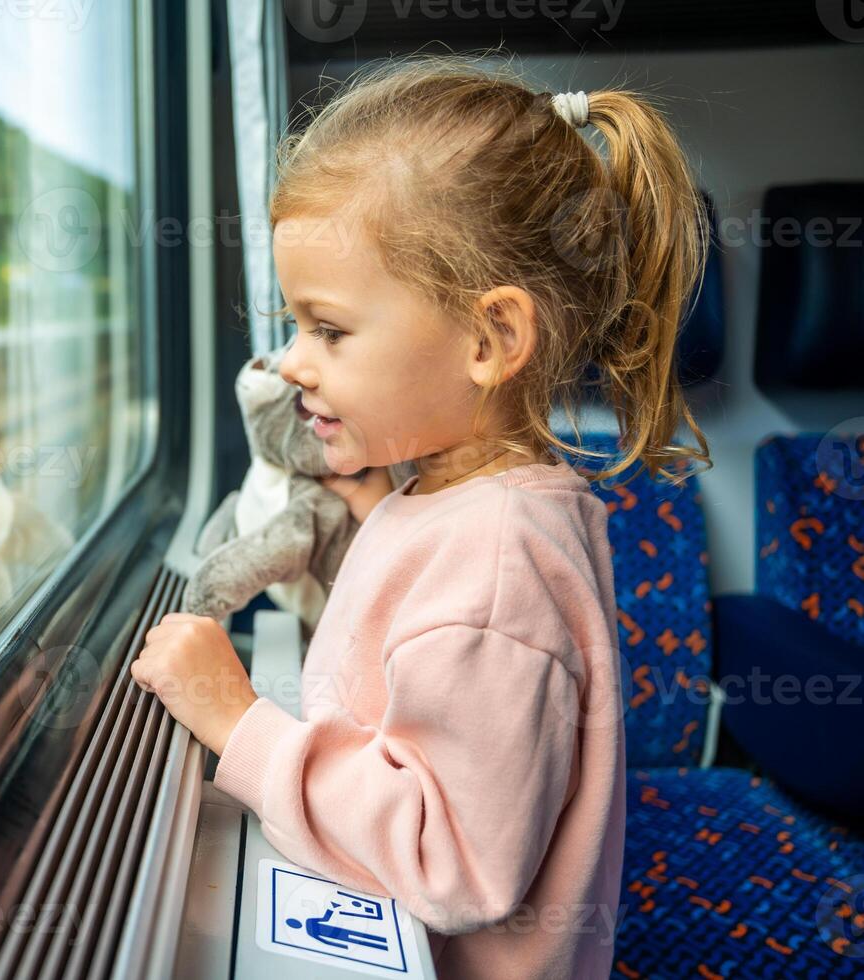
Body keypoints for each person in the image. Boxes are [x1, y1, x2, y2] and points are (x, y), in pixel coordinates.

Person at [131, 57, 712, 979]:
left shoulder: (497, 566)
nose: (290, 364)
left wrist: (239, 722)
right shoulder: (452, 502)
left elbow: (455, 866)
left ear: (489, 341)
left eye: (328, 329)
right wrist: (373, 528)